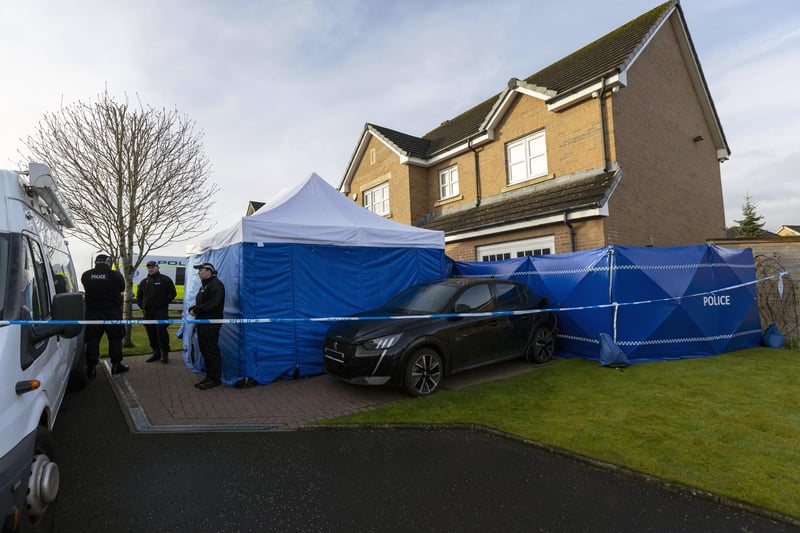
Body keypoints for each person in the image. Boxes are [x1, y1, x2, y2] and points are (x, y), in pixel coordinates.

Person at [81, 254, 128, 376]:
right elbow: (122, 288)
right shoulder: (115, 275)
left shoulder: (87, 275)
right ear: (108, 262)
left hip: (92, 313)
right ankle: (116, 365)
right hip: (112, 313)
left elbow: (86, 287)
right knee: (115, 339)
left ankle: (91, 367)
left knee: (92, 340)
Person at [188, 262, 225, 390]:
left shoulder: (216, 285)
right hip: (202, 322)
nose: (199, 273)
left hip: (211, 323)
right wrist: (194, 309)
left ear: (209, 271)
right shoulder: (205, 285)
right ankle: (210, 376)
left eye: (201, 270)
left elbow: (214, 303)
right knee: (204, 349)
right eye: (198, 270)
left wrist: (196, 310)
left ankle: (215, 379)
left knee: (211, 350)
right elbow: (203, 302)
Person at [137, 260, 177, 364]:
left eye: (152, 267)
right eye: (149, 267)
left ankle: (164, 353)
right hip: (148, 313)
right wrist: (142, 305)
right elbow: (139, 296)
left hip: (161, 312)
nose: (150, 269)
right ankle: (156, 352)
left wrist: (163, 303)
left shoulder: (165, 279)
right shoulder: (144, 281)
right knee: (151, 333)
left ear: (158, 267)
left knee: (161, 332)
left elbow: (173, 293)